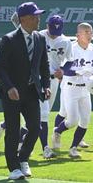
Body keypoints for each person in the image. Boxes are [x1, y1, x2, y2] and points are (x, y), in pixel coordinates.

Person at [0, 2, 51, 180]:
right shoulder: (9, 39)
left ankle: (23, 158)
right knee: (12, 130)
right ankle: (13, 167)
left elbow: (44, 65)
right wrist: (9, 87)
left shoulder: (40, 38)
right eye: (35, 16)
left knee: (35, 128)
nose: (38, 19)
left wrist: (47, 85)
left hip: (31, 91)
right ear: (24, 19)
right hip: (12, 93)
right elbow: (0, 68)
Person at [51, 23, 93, 158]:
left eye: (91, 32)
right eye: (86, 32)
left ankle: (73, 148)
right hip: (71, 87)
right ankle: (57, 131)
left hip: (86, 89)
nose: (89, 34)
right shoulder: (71, 49)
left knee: (85, 120)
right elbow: (63, 69)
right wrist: (80, 71)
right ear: (78, 35)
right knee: (72, 121)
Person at [38, 15, 74, 158]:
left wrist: (64, 70)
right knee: (44, 114)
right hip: (39, 79)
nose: (54, 33)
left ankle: (21, 140)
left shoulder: (65, 41)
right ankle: (45, 148)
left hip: (53, 80)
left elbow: (70, 60)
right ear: (47, 26)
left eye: (57, 30)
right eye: (52, 29)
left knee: (39, 116)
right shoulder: (38, 36)